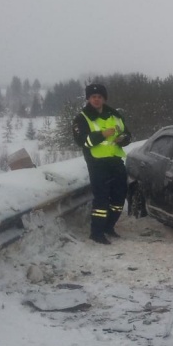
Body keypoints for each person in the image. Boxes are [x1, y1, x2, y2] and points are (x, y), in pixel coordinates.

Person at [72, 82, 132, 244]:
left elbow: (127, 134)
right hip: (97, 163)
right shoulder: (81, 118)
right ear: (88, 99)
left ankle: (109, 226)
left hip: (115, 160)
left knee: (119, 196)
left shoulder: (115, 115)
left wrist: (123, 139)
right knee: (101, 199)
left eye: (99, 97)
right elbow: (83, 141)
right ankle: (96, 232)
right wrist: (102, 134)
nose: (96, 100)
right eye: (93, 97)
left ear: (104, 98)